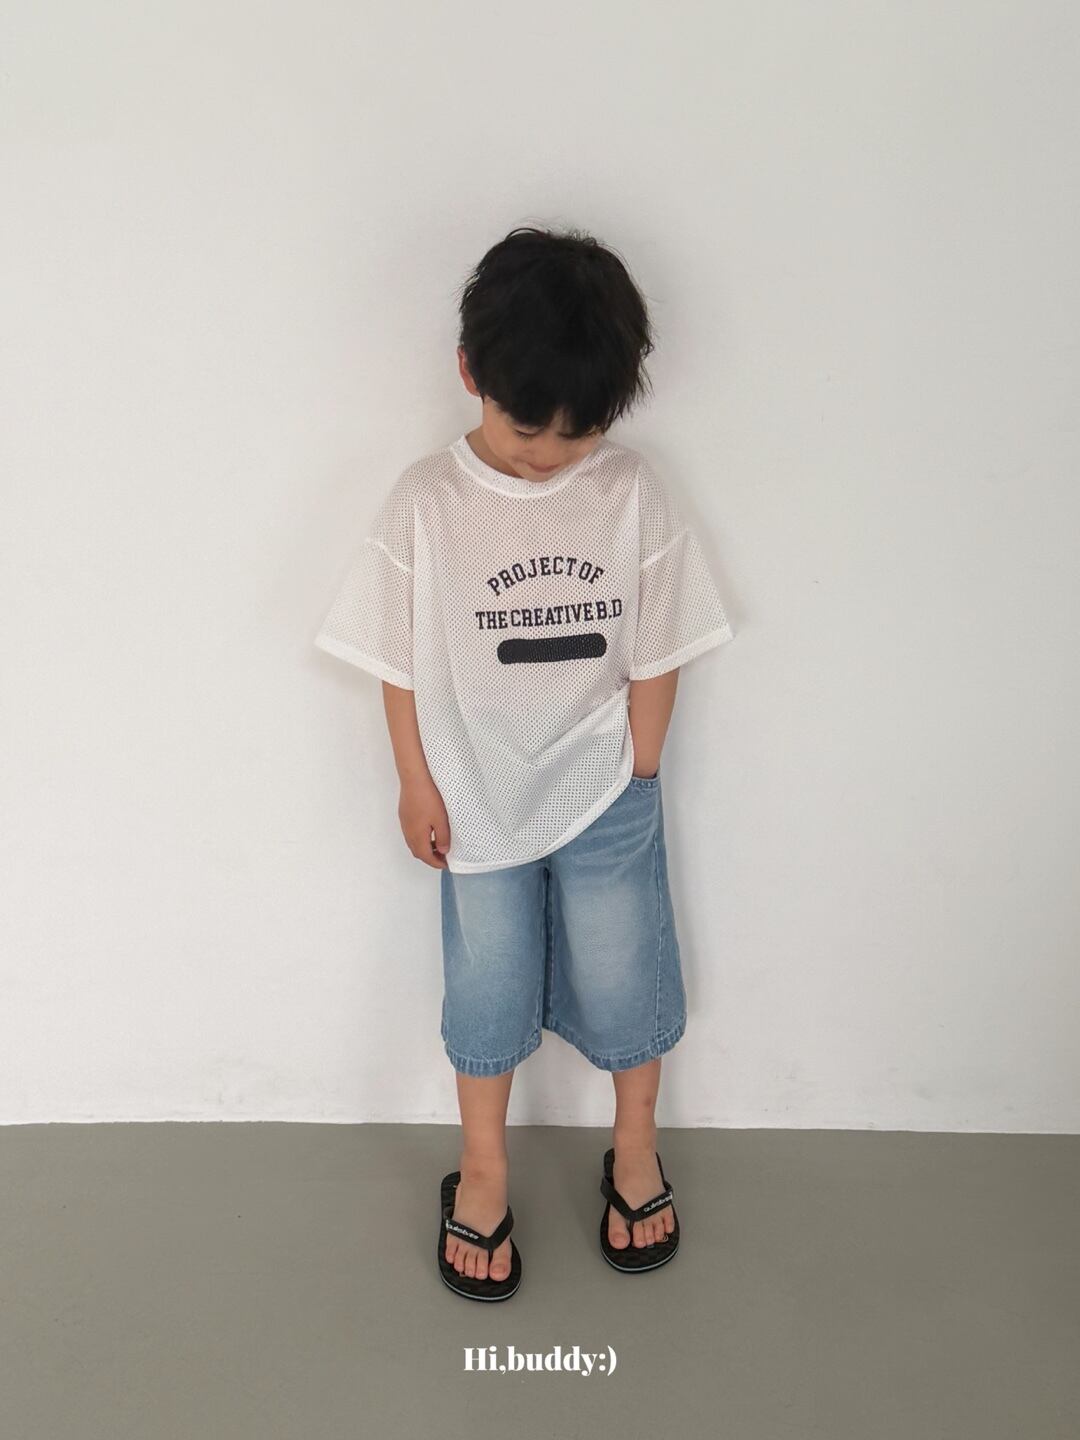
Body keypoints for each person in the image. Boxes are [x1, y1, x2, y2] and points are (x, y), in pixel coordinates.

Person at [314, 225, 736, 1301]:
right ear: (471, 374)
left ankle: (634, 1150)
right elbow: (398, 657)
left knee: (625, 970)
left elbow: (661, 642)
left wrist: (640, 770)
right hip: (473, 795)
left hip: (606, 789)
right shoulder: (428, 501)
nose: (546, 455)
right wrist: (415, 778)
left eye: (577, 435)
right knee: (488, 982)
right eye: (522, 429)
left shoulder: (631, 490)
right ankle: (485, 1167)